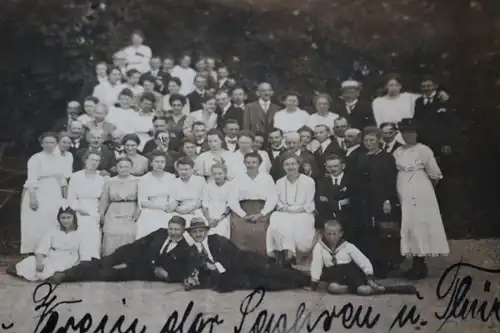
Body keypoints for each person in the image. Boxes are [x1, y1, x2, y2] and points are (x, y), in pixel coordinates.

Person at [48, 216, 193, 283]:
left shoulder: (185, 248)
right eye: (171, 228)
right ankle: (65, 273)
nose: (172, 232)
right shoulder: (161, 232)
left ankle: (69, 278)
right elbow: (139, 243)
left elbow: (185, 269)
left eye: (176, 230)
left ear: (183, 230)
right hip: (134, 254)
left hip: (144, 270)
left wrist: (168, 276)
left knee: (109, 275)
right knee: (102, 262)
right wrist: (123, 256)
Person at [182, 218, 309, 293]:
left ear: (206, 231)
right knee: (268, 285)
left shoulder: (217, 240)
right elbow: (193, 270)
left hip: (246, 262)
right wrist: (190, 280)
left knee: (272, 271)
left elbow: (233, 257)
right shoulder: (193, 251)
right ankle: (297, 283)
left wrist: (215, 267)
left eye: (201, 231)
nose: (198, 234)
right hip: (236, 277)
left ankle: (306, 279)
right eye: (195, 232)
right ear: (191, 234)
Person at [394, 118, 450, 280]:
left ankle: (420, 263)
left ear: (417, 133)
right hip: (402, 188)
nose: (408, 136)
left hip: (420, 189)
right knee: (408, 224)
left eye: (411, 132)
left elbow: (435, 174)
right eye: (405, 133)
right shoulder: (398, 152)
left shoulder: (424, 150)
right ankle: (412, 260)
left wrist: (424, 190)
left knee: (419, 224)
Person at [308, 220, 416, 295]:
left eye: (334, 234)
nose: (332, 237)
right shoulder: (319, 247)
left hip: (350, 271)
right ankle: (351, 289)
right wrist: (314, 282)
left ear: (341, 234)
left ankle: (385, 289)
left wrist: (369, 274)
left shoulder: (347, 246)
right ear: (324, 234)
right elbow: (316, 264)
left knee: (363, 291)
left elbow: (362, 260)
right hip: (334, 274)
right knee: (333, 288)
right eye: (329, 234)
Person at [352, 126, 400, 278]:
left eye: (372, 140)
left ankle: (382, 267)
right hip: (363, 199)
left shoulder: (386, 157)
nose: (369, 143)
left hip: (380, 199)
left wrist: (388, 200)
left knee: (381, 233)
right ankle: (367, 265)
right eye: (366, 140)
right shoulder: (361, 156)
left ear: (379, 140)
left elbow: (391, 181)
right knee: (366, 232)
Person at [8, 203, 90, 281]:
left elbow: (84, 254)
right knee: (31, 262)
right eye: (63, 218)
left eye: (68, 217)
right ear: (59, 219)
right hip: (53, 257)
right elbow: (42, 248)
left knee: (62, 272)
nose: (66, 221)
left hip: (69, 260)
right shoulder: (53, 231)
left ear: (73, 218)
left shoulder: (79, 233)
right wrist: (39, 262)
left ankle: (56, 276)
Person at [20, 132, 67, 254]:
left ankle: (49, 249)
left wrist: (65, 197)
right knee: (37, 221)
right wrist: (33, 198)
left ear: (56, 144)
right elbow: (31, 179)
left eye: (52, 142)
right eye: (46, 142)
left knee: (52, 219)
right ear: (41, 144)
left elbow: (62, 180)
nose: (49, 145)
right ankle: (34, 251)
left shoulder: (60, 159)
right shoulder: (36, 158)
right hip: (39, 191)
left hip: (54, 191)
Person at [267, 154, 317, 267]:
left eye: (293, 164)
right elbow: (278, 201)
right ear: (283, 167)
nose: (290, 167)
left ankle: (290, 252)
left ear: (298, 165)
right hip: (284, 212)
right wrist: (284, 208)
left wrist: (296, 210)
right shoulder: (279, 182)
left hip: (302, 213)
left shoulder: (309, 181)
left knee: (291, 223)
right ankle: (289, 252)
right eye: (287, 164)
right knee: (275, 219)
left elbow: (309, 202)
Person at [228, 152, 277, 255]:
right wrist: (243, 215)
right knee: (239, 230)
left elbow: (272, 198)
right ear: (244, 163)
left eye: (254, 162)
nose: (250, 165)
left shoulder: (267, 178)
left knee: (262, 231)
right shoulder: (238, 179)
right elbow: (232, 200)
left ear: (259, 164)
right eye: (248, 162)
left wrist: (261, 214)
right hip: (242, 210)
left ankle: (262, 261)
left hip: (262, 210)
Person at [67, 152, 105, 259]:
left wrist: (100, 212)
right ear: (86, 160)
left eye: (97, 160)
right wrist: (77, 209)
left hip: (95, 208)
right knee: (79, 235)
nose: (95, 163)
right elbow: (70, 197)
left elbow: (104, 198)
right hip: (79, 208)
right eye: (92, 159)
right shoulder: (76, 176)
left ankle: (91, 261)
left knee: (93, 237)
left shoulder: (102, 177)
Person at [99, 157, 140, 256]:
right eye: (121, 166)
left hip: (131, 211)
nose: (124, 169)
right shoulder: (110, 181)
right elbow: (104, 199)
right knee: (111, 236)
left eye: (127, 166)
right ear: (116, 168)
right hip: (113, 211)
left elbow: (142, 199)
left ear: (131, 167)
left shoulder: (138, 181)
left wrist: (138, 211)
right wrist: (101, 215)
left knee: (129, 236)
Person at [135, 151, 177, 239]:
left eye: (162, 162)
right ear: (151, 163)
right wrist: (162, 207)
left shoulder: (171, 177)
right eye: (157, 162)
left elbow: (174, 196)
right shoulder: (144, 179)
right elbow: (142, 202)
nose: (159, 164)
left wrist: (171, 206)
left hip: (168, 211)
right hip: (150, 210)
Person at [315, 155, 355, 237]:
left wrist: (328, 201)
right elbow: (320, 204)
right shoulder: (321, 182)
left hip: (350, 224)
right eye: (329, 167)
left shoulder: (352, 181)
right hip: (328, 223)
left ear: (343, 166)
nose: (332, 169)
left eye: (335, 166)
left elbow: (354, 201)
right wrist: (339, 203)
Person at [168, 157, 207, 240]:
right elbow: (172, 201)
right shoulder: (174, 182)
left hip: (196, 209)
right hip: (179, 210)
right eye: (181, 169)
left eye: (186, 169)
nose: (183, 172)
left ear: (192, 169)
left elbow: (202, 199)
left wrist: (191, 209)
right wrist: (180, 210)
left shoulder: (200, 180)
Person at [201, 163, 232, 239]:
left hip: (224, 216)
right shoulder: (208, 186)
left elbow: (230, 206)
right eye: (214, 174)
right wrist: (209, 219)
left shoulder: (231, 187)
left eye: (220, 173)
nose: (217, 176)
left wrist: (219, 219)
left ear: (225, 173)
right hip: (209, 215)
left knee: (222, 234)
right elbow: (204, 205)